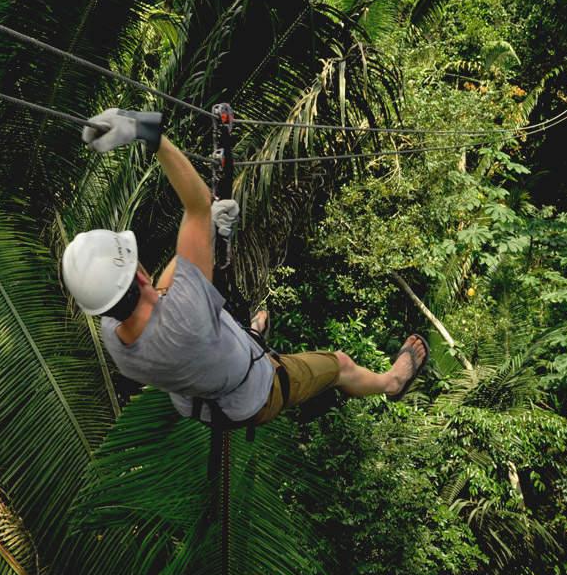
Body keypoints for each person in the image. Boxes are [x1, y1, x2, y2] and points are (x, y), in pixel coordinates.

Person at [60, 108, 428, 427]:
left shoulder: (114, 337)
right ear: (139, 274)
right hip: (257, 393)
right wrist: (148, 133)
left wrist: (208, 233)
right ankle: (391, 383)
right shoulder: (185, 316)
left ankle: (247, 334)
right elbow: (197, 206)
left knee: (217, 315)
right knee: (340, 364)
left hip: (202, 400)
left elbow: (166, 289)